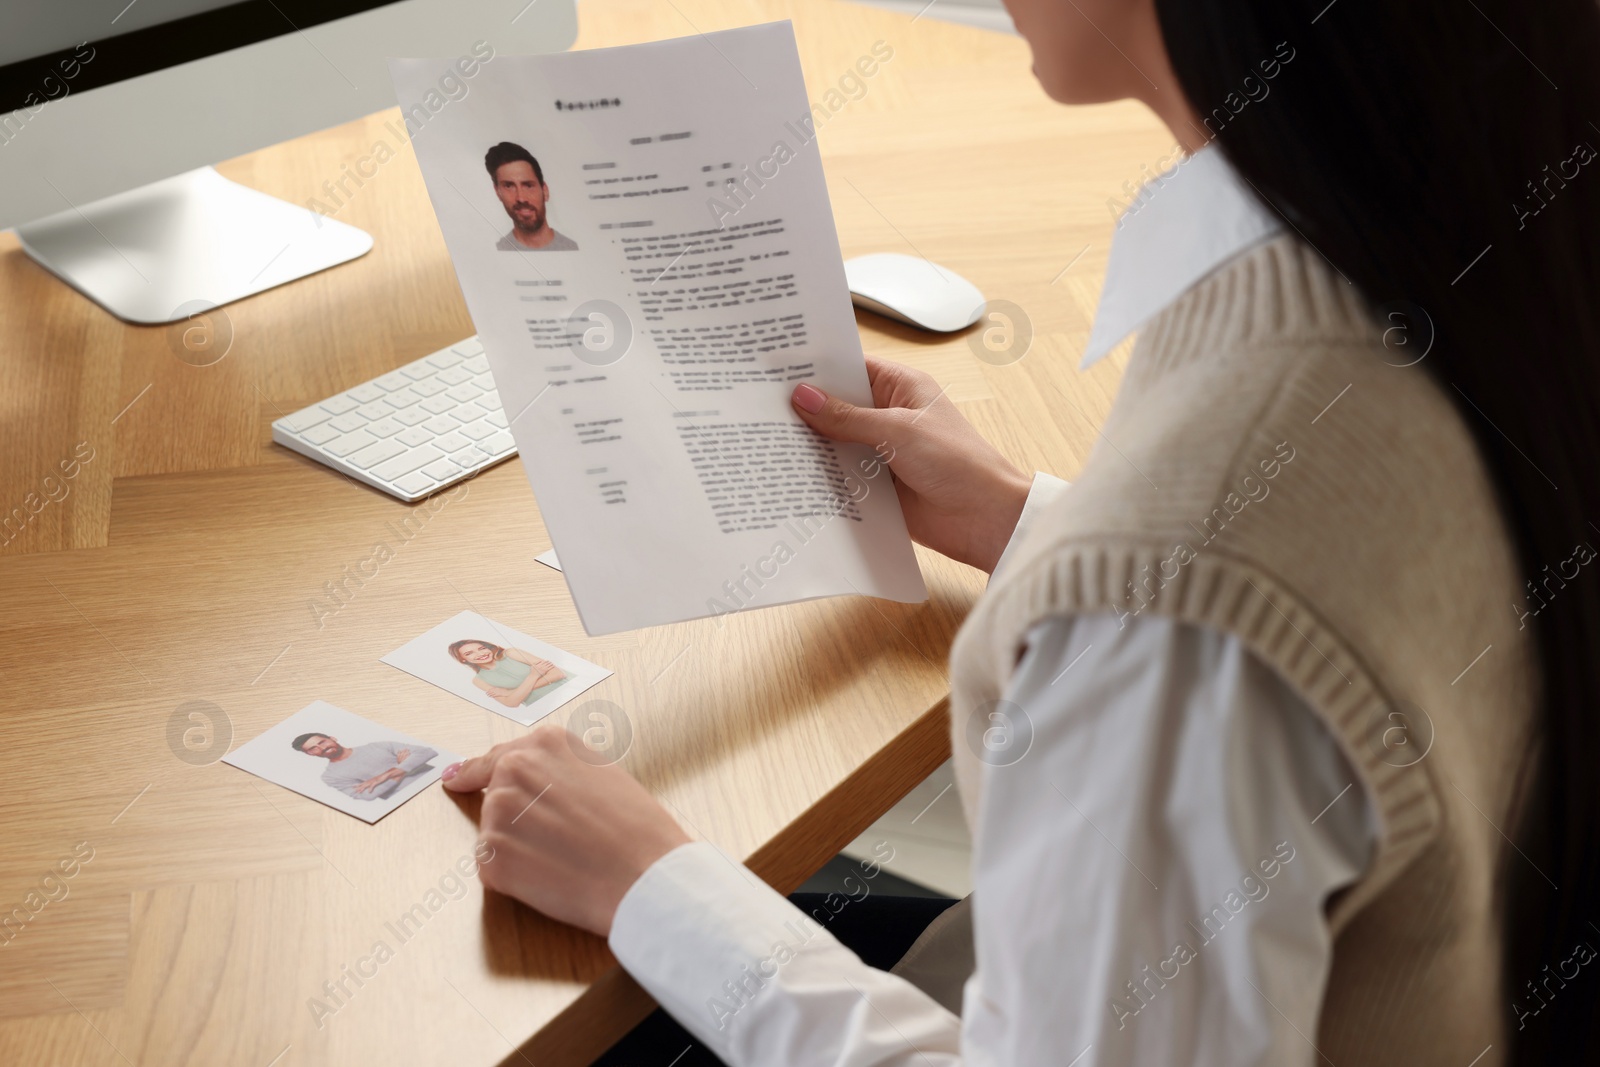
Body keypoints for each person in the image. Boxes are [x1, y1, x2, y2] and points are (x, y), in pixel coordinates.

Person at [440, 0, 1600, 1063]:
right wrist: (1039, 525)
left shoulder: (1177, 605)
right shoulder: (1470, 239)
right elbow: (1324, 614)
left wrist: (649, 884)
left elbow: (1207, 629)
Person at [485, 141, 578, 252]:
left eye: (528, 185)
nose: (521, 198)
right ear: (498, 192)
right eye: (509, 186)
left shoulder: (572, 248)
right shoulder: (496, 251)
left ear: (545, 191)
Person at [292, 732, 437, 802]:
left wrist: (384, 776)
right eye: (313, 748)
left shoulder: (377, 746)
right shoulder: (331, 776)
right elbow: (367, 795)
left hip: (437, 781)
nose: (321, 748)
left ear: (332, 738)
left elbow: (427, 752)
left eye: (322, 742)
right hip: (410, 802)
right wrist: (401, 769)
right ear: (309, 754)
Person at [449, 638, 568, 708]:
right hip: (545, 707)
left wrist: (510, 692)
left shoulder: (511, 653)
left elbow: (558, 674)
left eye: (482, 649)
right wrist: (533, 676)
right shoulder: (479, 681)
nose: (480, 654)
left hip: (567, 689)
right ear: (463, 660)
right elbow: (511, 703)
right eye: (469, 653)